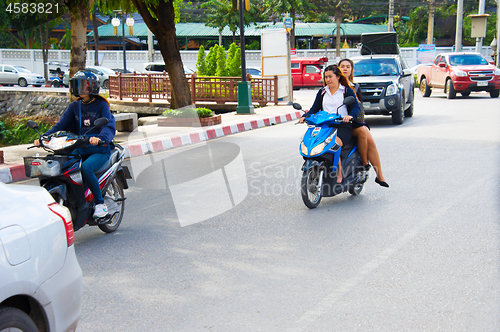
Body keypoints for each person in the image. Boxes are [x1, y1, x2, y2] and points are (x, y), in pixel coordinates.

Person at [34, 70, 116, 217]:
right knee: (65, 168)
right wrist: (44, 138)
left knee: (86, 168)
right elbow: (60, 126)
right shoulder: (74, 106)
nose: (79, 88)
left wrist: (100, 138)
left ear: (92, 87)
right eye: (77, 85)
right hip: (79, 148)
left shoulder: (101, 105)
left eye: (83, 85)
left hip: (99, 149)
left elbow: (108, 124)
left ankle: (100, 204)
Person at [299, 64, 360, 184]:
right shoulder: (322, 92)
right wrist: (304, 116)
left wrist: (350, 116)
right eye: (326, 77)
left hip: (342, 126)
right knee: (312, 142)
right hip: (324, 126)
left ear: (337, 77)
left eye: (330, 76)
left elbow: (355, 107)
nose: (327, 79)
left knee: (334, 143)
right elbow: (314, 109)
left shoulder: (346, 91)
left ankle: (339, 174)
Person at [338, 58, 389, 188]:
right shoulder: (332, 85)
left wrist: (359, 120)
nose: (345, 69)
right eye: (342, 66)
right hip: (337, 122)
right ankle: (366, 164)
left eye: (348, 67)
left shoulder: (355, 87)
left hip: (353, 121)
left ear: (352, 70)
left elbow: (359, 108)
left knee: (367, 136)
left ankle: (378, 174)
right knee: (364, 132)